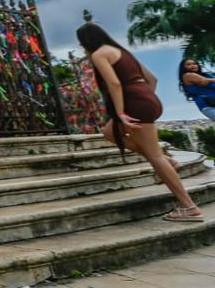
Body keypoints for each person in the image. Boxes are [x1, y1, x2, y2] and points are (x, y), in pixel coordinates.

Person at [76, 23, 202, 222]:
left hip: (133, 102)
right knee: (109, 132)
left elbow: (114, 83)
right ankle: (169, 161)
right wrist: (144, 98)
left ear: (86, 41)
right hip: (146, 97)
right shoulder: (122, 52)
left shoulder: (100, 54)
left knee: (155, 157)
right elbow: (153, 79)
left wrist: (121, 113)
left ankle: (188, 206)